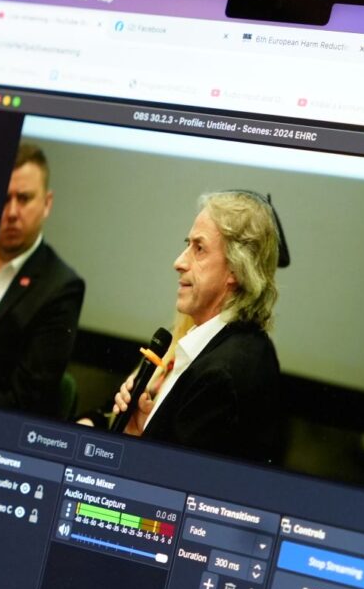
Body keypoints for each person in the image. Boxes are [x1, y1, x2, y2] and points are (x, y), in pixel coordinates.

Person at [112, 191, 283, 464]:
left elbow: (168, 482)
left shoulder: (221, 375)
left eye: (199, 249)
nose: (179, 262)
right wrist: (141, 432)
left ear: (235, 269)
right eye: (187, 245)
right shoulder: (240, 345)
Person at [0, 143, 85, 417]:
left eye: (24, 198)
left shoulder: (61, 287)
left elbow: (27, 397)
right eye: (3, 199)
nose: (12, 212)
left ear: (47, 204)